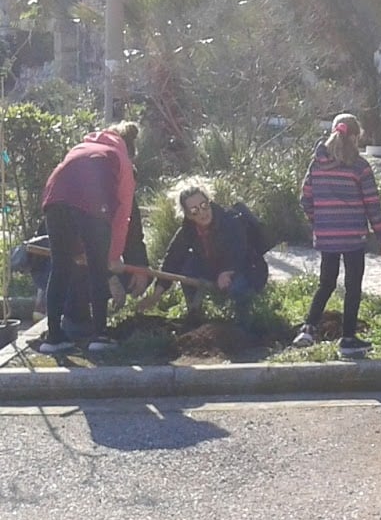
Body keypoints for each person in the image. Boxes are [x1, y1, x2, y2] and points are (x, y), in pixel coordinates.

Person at [292, 112, 381, 359]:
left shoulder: (316, 164)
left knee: (326, 283)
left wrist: (320, 222)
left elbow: (305, 199)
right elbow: (372, 204)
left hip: (326, 236)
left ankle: (308, 329)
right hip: (353, 236)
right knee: (352, 286)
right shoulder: (359, 167)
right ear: (356, 137)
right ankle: (348, 339)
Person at [36, 121, 140, 355]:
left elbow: (68, 198)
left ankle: (53, 338)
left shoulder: (81, 147)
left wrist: (77, 249)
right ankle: (100, 335)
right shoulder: (120, 156)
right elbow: (123, 213)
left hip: (53, 199)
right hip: (92, 201)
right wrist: (113, 256)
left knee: (60, 267)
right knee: (97, 269)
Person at [136, 185, 268, 326]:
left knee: (237, 287)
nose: (202, 212)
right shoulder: (187, 230)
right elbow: (172, 261)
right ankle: (194, 316)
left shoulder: (231, 220)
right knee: (187, 267)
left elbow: (239, 251)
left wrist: (227, 271)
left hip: (246, 269)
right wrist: (156, 294)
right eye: (194, 210)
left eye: (204, 205)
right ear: (188, 215)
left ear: (209, 202)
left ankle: (244, 323)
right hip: (215, 270)